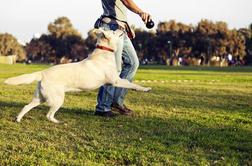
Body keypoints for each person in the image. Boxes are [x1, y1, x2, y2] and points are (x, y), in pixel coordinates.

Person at [94, 0, 152, 117]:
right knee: (114, 69)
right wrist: (141, 12)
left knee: (132, 63)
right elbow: (126, 1)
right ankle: (103, 107)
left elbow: (118, 7)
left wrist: (126, 25)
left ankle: (116, 102)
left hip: (120, 27)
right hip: (111, 28)